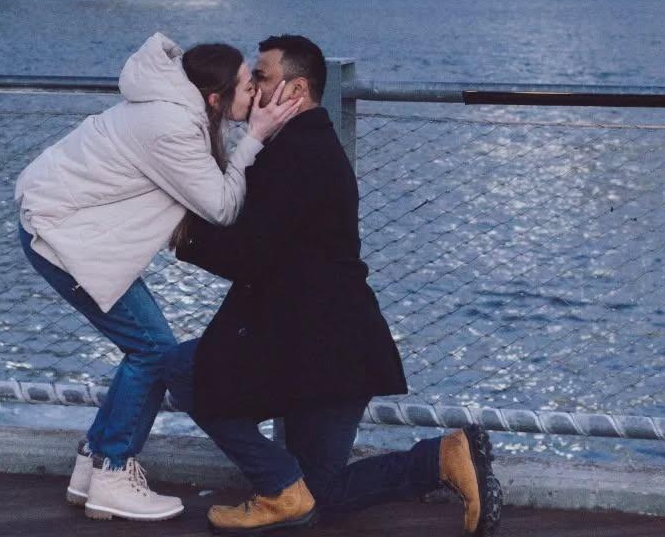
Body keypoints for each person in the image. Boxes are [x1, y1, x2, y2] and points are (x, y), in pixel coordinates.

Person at [163, 34, 503, 534]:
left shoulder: (294, 155)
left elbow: (249, 255)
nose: (252, 86)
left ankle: (278, 487)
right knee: (320, 492)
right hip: (328, 352)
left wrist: (182, 234)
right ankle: (442, 459)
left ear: (295, 89)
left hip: (317, 351)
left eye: (261, 76)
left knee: (183, 371)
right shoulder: (303, 145)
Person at [15, 31, 301, 524]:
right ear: (215, 98)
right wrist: (254, 137)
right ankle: (111, 470)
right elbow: (222, 207)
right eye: (245, 85)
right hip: (63, 239)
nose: (254, 92)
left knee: (148, 348)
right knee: (154, 351)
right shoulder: (170, 125)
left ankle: (94, 469)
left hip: (67, 232)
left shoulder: (172, 108)